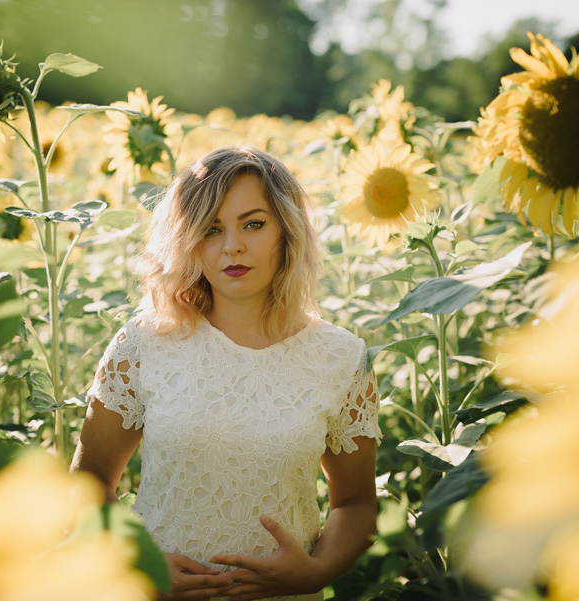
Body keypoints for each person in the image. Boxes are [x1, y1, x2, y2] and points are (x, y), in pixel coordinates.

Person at [71, 146, 380, 601]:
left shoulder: (341, 357)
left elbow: (355, 503)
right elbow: (90, 476)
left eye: (253, 224)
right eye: (211, 229)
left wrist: (317, 572)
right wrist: (135, 559)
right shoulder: (144, 344)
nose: (232, 245)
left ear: (286, 231)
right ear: (188, 240)